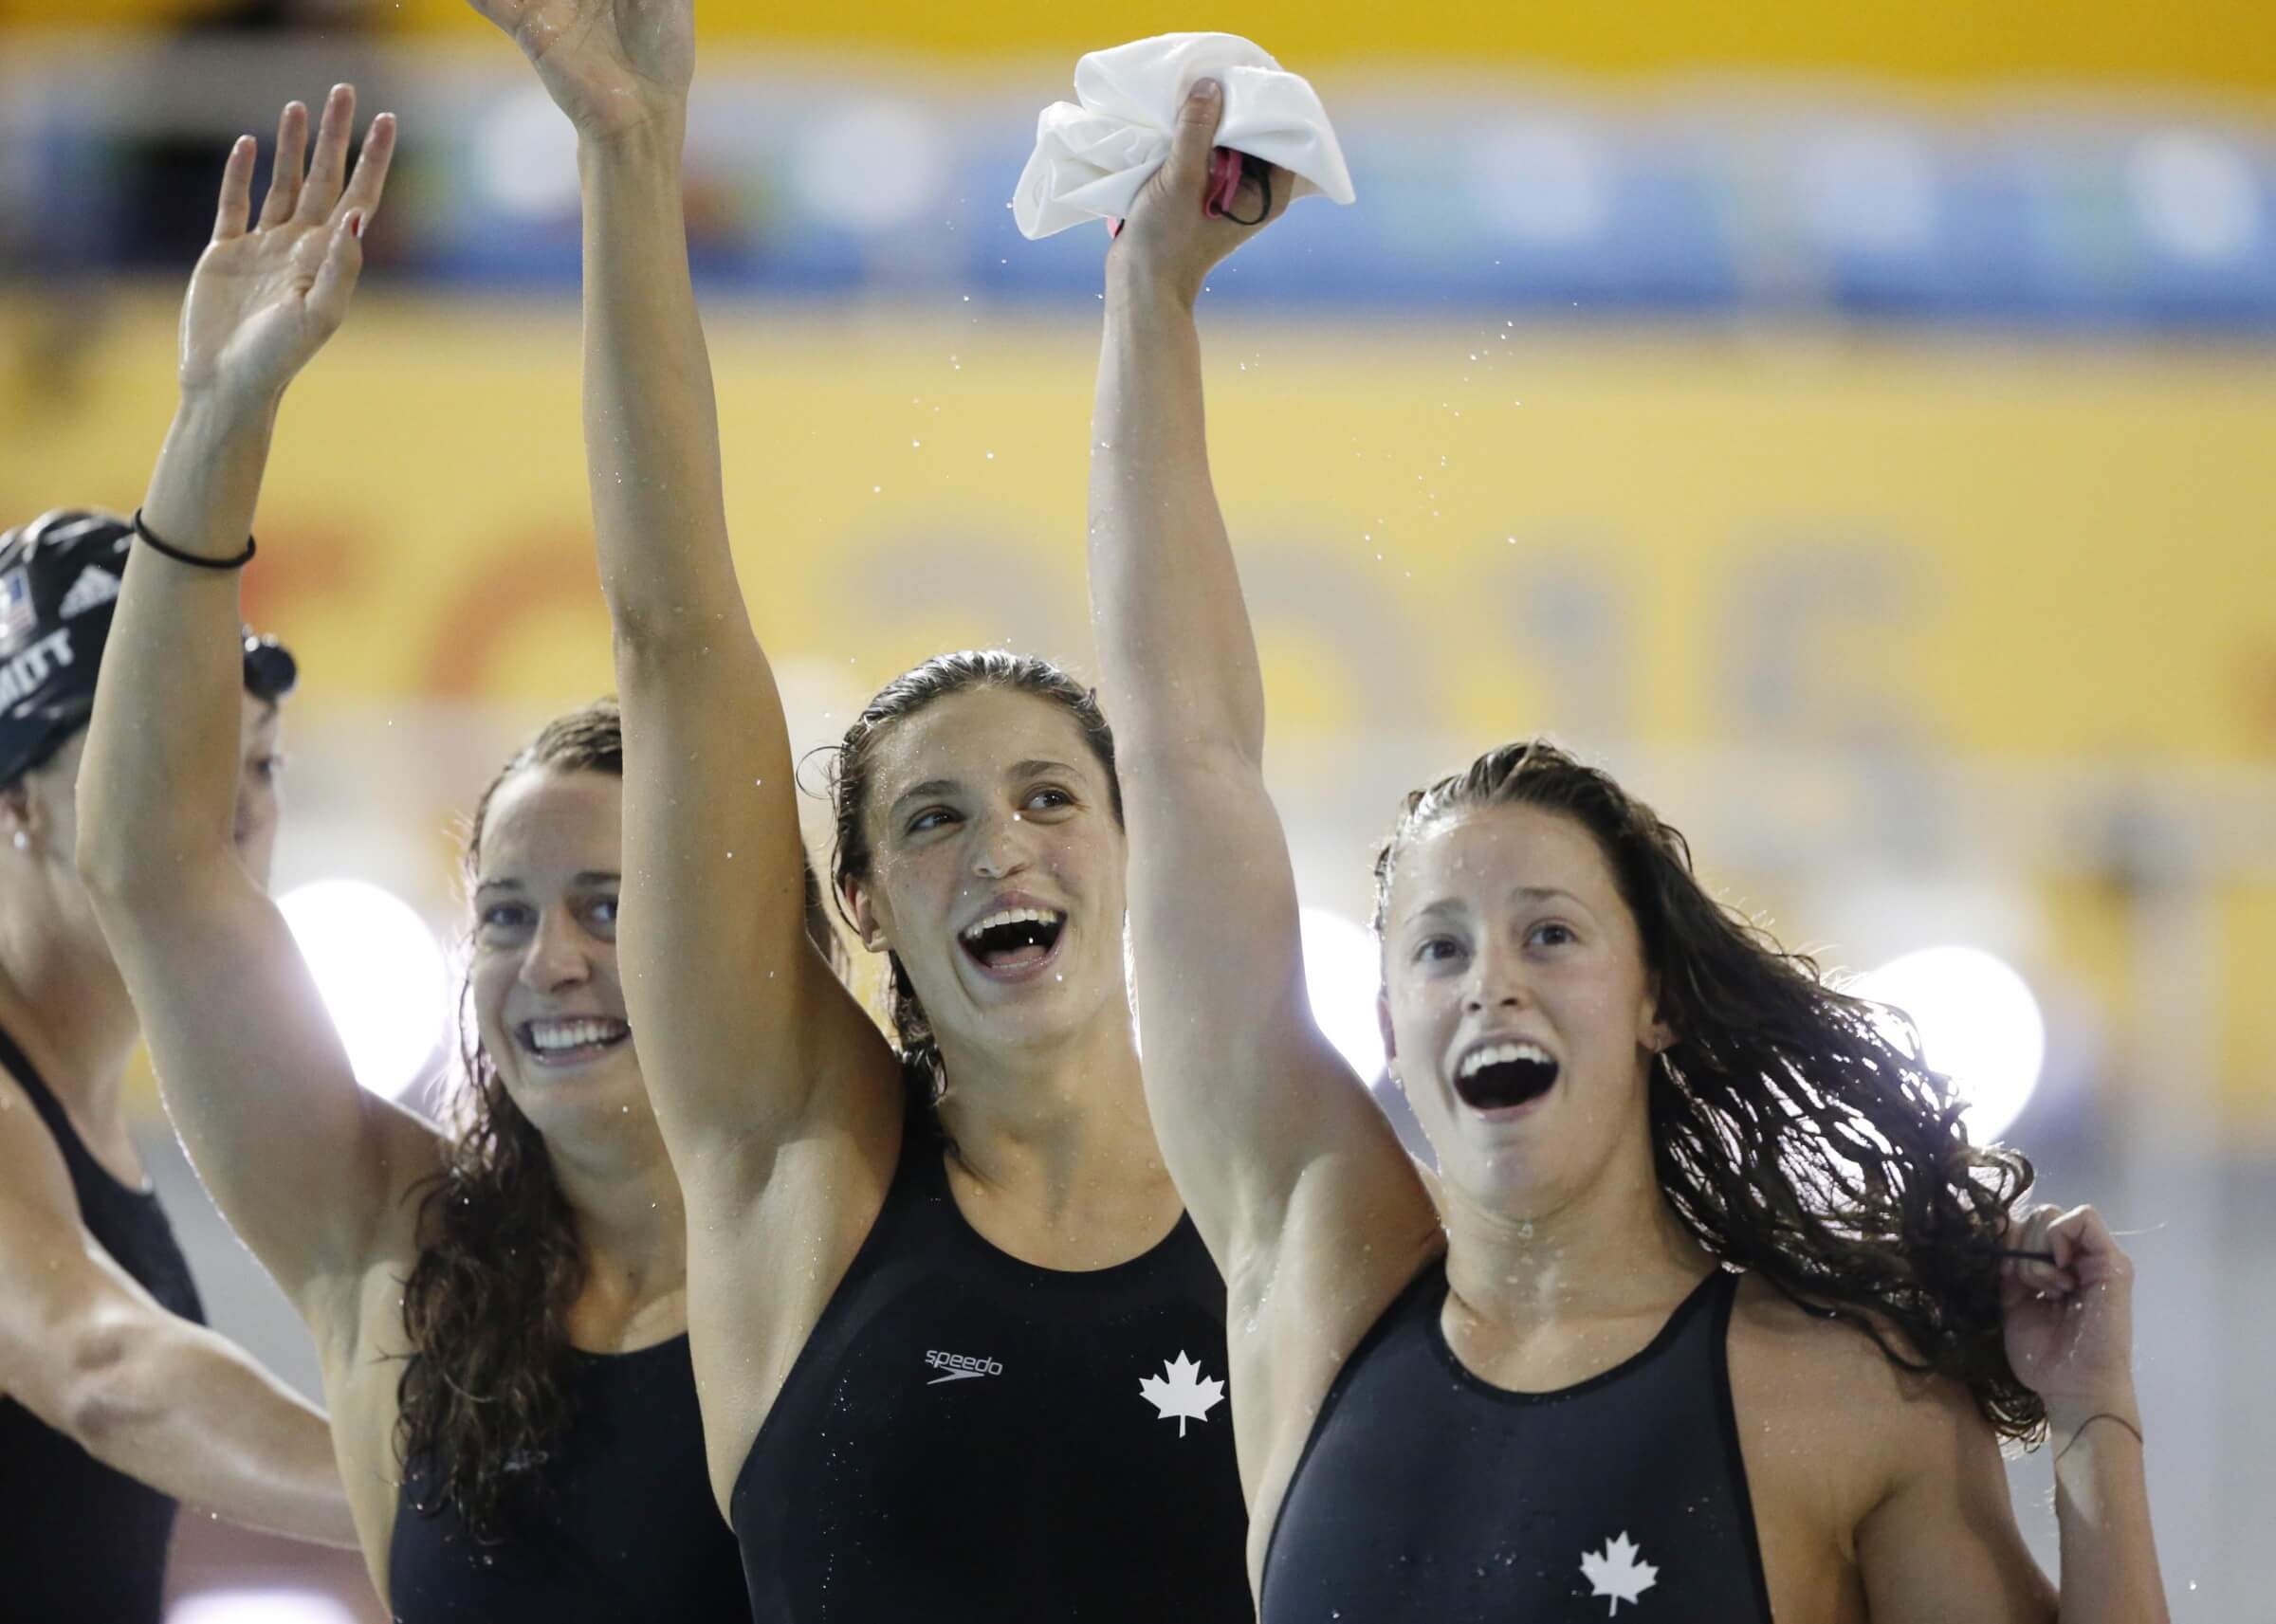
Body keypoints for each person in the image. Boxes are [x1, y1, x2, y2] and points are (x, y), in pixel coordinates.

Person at [1084, 82, 2172, 1622]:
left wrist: (2092, 1428)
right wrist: (1148, 293)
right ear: (1386, 1018)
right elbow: (1183, 750)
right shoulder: (1315, 1284)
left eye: (1550, 932)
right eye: (1440, 949)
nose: (1488, 984)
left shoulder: (1840, 1394)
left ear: (1655, 996)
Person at [459, 3, 1252, 1617]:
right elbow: (675, 644)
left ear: (1133, 843)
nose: (1002, 847)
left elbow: (1198, 731)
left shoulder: (1282, 1180)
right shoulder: (793, 1167)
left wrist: (1152, 293)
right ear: (867, 902)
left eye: (1046, 795)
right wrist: (632, 152)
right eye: (932, 821)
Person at [76, 88, 781, 1620]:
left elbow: (673, 624)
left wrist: (630, 157)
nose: (553, 958)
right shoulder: (391, 1249)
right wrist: (217, 422)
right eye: (510, 913)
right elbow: (154, 870)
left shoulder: (840, 1231)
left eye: (608, 902)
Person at [0, 505, 353, 1624]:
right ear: (18, 804)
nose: (238, 810)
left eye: (258, 759)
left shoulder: (95, 1100)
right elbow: (102, 1374)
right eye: (174, 757)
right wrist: (449, 1508)